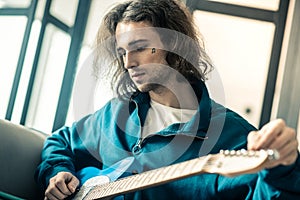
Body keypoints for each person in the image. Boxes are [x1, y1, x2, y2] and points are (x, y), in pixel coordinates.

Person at [35, 0, 300, 199]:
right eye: (122, 52)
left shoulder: (233, 136)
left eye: (139, 47)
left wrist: (283, 170)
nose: (128, 62)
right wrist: (57, 172)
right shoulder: (116, 113)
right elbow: (60, 140)